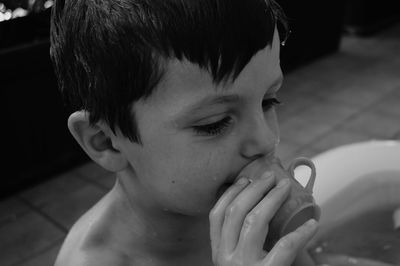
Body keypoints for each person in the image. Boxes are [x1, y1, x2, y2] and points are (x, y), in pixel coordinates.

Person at [50, 0, 319, 265]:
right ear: (106, 142)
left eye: (268, 101)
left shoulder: (252, 214)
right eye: (214, 123)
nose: (266, 139)